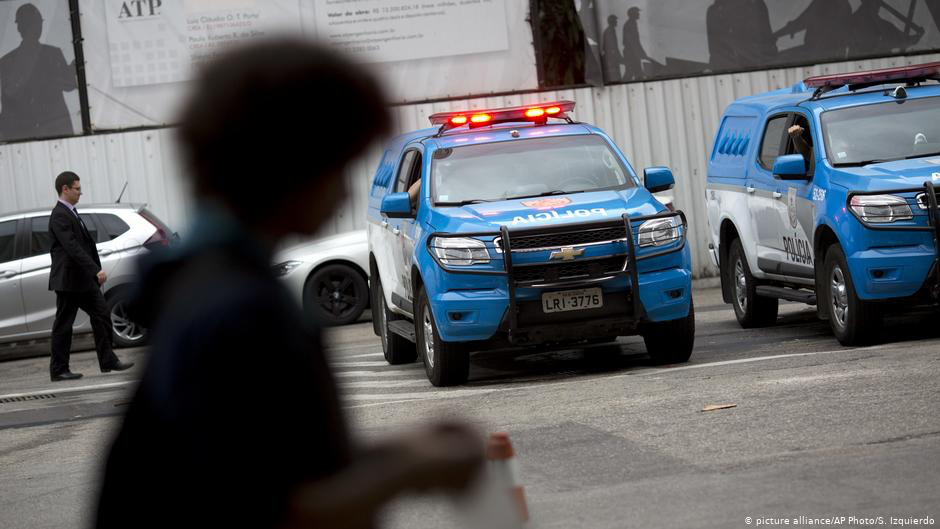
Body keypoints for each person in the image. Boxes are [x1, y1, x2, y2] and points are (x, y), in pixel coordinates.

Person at [94, 38, 483, 529]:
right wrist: (410, 470)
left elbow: (267, 460)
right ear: (288, 163)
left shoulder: (202, 286)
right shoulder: (238, 310)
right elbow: (264, 510)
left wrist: (395, 451)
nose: (344, 189)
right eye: (337, 163)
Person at [48, 171, 134, 381]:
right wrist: (95, 270)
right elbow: (73, 247)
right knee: (64, 324)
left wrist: (94, 271)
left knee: (102, 313)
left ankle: (108, 360)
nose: (80, 192)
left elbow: (85, 246)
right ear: (65, 189)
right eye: (77, 189)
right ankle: (59, 369)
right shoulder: (60, 215)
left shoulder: (72, 212)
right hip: (69, 280)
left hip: (83, 280)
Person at [0, 3, 77, 142]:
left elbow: (7, 104)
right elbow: (69, 84)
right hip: (56, 133)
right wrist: (75, 67)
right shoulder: (53, 54)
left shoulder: (6, 62)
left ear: (19, 27)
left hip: (21, 136)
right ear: (37, 25)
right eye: (38, 22)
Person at [621, 7, 650, 81]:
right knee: (631, 73)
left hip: (632, 53)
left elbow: (636, 42)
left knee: (636, 73)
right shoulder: (630, 24)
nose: (638, 14)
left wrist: (642, 53)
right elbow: (632, 42)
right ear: (633, 14)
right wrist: (640, 53)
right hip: (631, 53)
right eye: (637, 12)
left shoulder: (632, 23)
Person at [601, 14, 622, 83]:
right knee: (614, 76)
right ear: (611, 22)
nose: (616, 22)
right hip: (611, 58)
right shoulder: (609, 31)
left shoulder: (610, 30)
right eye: (615, 20)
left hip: (612, 57)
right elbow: (612, 47)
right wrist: (618, 56)